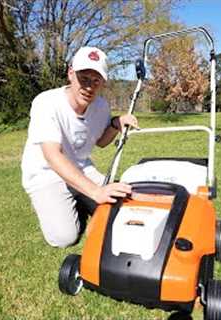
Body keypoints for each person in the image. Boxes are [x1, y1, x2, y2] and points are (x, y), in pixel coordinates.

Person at [21, 46, 139, 248]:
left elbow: (100, 142)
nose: (89, 87)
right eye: (84, 78)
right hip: (46, 175)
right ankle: (52, 200)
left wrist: (115, 124)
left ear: (102, 82)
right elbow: (52, 155)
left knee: (123, 207)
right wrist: (95, 192)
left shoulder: (101, 106)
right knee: (64, 237)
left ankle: (78, 196)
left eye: (96, 81)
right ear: (70, 73)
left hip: (83, 169)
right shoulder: (46, 102)